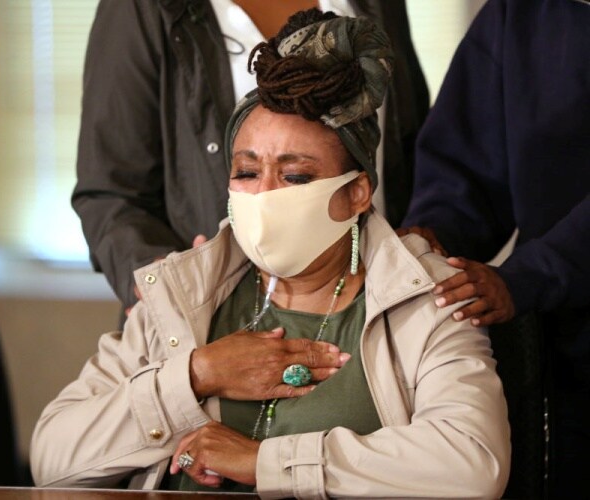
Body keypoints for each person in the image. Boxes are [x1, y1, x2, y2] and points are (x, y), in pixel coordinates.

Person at [32, 10, 509, 498]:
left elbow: (473, 465)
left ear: (357, 193)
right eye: (246, 172)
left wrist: (265, 462)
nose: (264, 194)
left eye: (295, 176)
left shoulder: (426, 297)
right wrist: (196, 376)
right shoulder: (180, 294)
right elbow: (52, 459)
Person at [71, 0, 429, 313]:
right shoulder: (145, 8)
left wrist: (428, 244)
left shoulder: (378, 5)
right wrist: (163, 284)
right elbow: (111, 192)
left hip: (379, 306)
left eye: (296, 176)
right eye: (246, 172)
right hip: (211, 318)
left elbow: (412, 150)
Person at [400, 0, 590, 494]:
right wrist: (431, 242)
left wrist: (530, 276)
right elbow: (466, 169)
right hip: (561, 353)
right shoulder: (523, 13)